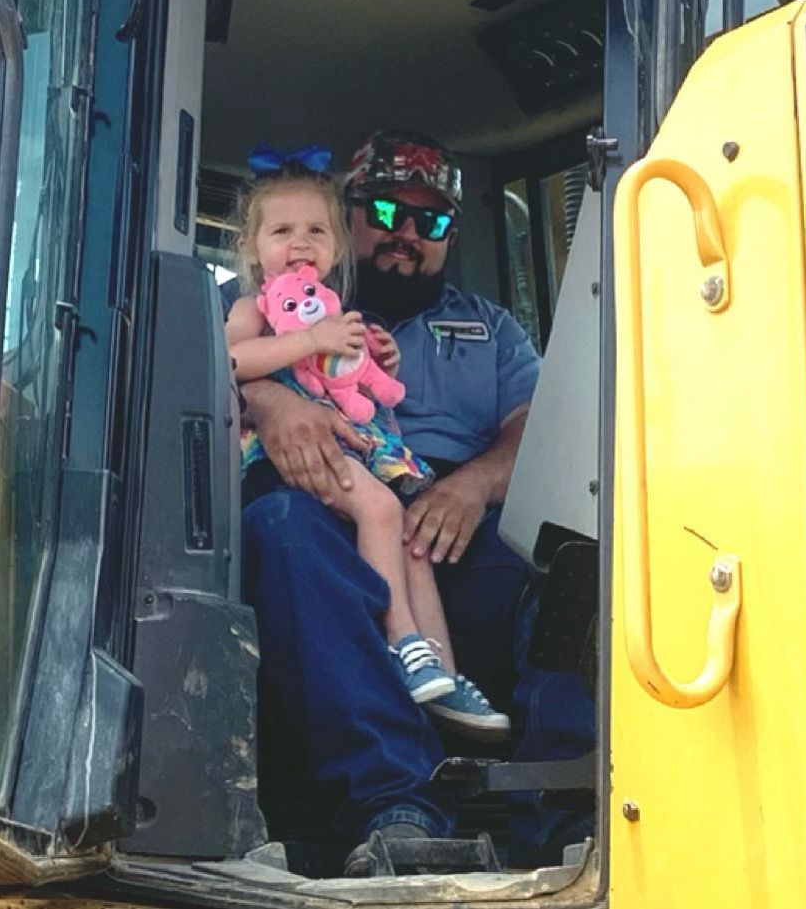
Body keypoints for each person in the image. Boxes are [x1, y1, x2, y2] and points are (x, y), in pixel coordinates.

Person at [233, 131, 594, 874]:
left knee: (564, 562)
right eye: (388, 212)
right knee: (284, 531)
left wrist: (472, 485)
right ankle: (397, 801)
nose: (407, 233)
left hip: (449, 514)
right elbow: (219, 362)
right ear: (351, 219)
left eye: (430, 220)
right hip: (317, 495)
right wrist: (271, 402)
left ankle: (564, 815)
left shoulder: (492, 329)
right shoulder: (275, 304)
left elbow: (537, 426)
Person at [225, 151, 510, 732]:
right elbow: (229, 361)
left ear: (335, 247)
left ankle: (442, 676)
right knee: (380, 510)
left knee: (413, 541)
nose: (300, 243)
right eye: (282, 231)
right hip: (289, 458)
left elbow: (352, 380)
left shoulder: (336, 311)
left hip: (359, 445)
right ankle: (403, 643)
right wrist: (310, 341)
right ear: (251, 248)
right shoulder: (253, 308)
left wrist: (378, 360)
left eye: (316, 231)